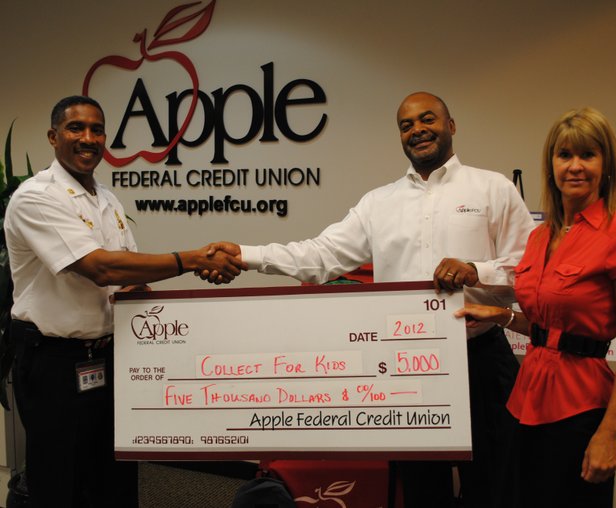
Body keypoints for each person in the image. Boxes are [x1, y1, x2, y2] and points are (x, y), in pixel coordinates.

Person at [205, 92, 535, 508]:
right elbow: (320, 256)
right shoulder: (379, 203)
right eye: (406, 125)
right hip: (409, 368)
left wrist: (478, 271)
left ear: (451, 125)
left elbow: (530, 273)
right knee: (419, 489)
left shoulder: (494, 189)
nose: (417, 129)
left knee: (493, 484)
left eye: (427, 119)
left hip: (481, 360)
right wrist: (248, 254)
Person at [4, 95, 247, 508]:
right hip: (53, 363)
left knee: (112, 472)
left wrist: (139, 291)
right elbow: (102, 269)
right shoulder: (35, 197)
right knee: (59, 479)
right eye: (76, 128)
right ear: (53, 136)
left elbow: (124, 275)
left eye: (97, 129)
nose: (88, 138)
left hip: (107, 356)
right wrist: (191, 260)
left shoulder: (107, 200)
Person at [454, 107, 616, 508]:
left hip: (580, 407)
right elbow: (551, 326)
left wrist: (609, 433)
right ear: (551, 165)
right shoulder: (540, 236)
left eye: (588, 155)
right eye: (565, 156)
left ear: (607, 164)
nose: (575, 166)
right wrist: (504, 317)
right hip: (523, 397)